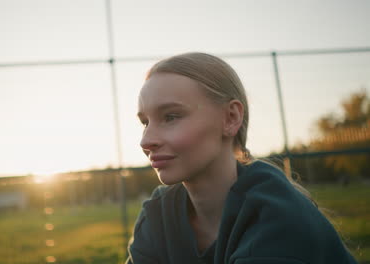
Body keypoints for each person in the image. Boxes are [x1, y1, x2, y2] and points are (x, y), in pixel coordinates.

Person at [126, 52, 357, 264]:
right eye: (145, 122)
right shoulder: (159, 214)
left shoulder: (278, 218)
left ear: (231, 117)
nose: (146, 141)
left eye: (171, 117)